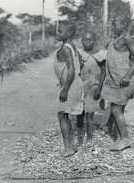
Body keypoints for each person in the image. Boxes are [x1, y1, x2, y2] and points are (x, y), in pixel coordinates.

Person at [101, 10, 134, 151]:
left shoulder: (126, 38)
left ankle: (125, 139)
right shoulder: (115, 39)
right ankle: (118, 137)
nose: (112, 25)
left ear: (124, 24)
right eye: (111, 23)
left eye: (115, 23)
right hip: (117, 80)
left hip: (125, 80)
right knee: (117, 108)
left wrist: (128, 75)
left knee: (116, 109)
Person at [54, 21, 84, 157]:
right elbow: (81, 63)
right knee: (64, 115)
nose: (57, 33)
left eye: (60, 31)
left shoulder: (66, 48)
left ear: (69, 33)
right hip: (74, 82)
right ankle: (71, 145)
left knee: (62, 115)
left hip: (70, 84)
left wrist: (66, 88)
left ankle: (68, 147)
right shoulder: (72, 46)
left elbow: (71, 69)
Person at [77, 31, 107, 144]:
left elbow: (103, 71)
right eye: (85, 39)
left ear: (95, 40)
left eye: (90, 39)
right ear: (81, 40)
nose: (88, 42)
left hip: (93, 87)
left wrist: (99, 88)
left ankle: (89, 137)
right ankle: (80, 136)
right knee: (79, 113)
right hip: (81, 87)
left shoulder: (99, 55)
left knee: (89, 114)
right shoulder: (79, 54)